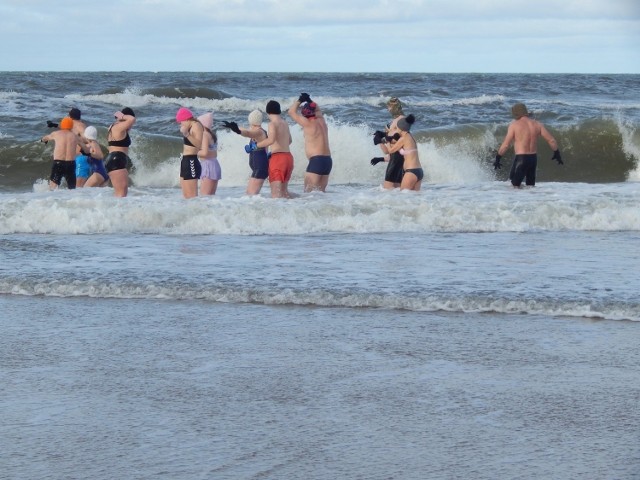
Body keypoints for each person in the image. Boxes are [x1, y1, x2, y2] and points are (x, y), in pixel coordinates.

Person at [494, 103, 563, 187]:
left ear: (516, 113)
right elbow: (551, 140)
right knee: (531, 187)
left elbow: (505, 145)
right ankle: (531, 200)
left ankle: (515, 200)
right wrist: (557, 153)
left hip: (521, 159)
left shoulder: (514, 125)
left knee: (514, 186)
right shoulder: (538, 124)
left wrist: (498, 157)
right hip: (533, 159)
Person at [288, 93, 332, 192]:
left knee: (308, 194)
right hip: (327, 161)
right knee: (321, 194)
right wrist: (309, 100)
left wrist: (300, 100)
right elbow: (317, 108)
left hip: (316, 161)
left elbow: (291, 112)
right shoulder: (322, 121)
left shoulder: (307, 123)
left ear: (305, 114)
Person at [222, 110, 269, 195]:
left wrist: (238, 131)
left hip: (260, 168)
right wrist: (234, 128)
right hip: (257, 168)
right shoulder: (255, 130)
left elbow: (248, 133)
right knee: (249, 194)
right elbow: (246, 130)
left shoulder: (259, 132)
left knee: (252, 194)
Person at [372, 114, 423, 191]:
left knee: (403, 196)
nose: (396, 129)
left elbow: (390, 151)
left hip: (411, 172)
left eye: (397, 127)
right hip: (419, 171)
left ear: (402, 129)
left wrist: (387, 141)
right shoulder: (411, 137)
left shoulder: (403, 138)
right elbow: (401, 152)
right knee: (414, 198)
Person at [256, 100, 294, 198]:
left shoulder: (272, 124)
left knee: (276, 195)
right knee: (285, 193)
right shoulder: (285, 123)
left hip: (278, 160)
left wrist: (257, 145)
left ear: (268, 112)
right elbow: (289, 141)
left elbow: (271, 140)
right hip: (288, 158)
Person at [371, 97, 405, 189]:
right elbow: (388, 151)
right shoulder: (397, 120)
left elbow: (401, 140)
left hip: (397, 159)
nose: (388, 109)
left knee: (387, 189)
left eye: (389, 107)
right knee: (397, 190)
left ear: (394, 107)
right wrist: (380, 140)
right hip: (397, 158)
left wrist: (383, 138)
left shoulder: (400, 120)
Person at [105, 107, 136, 197]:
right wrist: (120, 115)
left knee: (119, 193)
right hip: (117, 160)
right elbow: (132, 119)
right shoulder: (118, 127)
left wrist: (119, 116)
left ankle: (116, 210)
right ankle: (117, 211)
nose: (131, 125)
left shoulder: (113, 126)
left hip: (115, 159)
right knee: (121, 194)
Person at [41, 116, 78, 190]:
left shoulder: (56, 134)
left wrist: (44, 140)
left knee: (52, 187)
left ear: (62, 125)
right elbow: (86, 149)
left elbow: (44, 138)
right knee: (72, 188)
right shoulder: (75, 136)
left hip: (58, 164)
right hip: (70, 164)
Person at [175, 107, 203, 198]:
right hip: (185, 161)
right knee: (186, 196)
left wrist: (187, 134)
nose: (181, 124)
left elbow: (199, 145)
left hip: (192, 160)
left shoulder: (196, 125)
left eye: (181, 121)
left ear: (186, 118)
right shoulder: (188, 126)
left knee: (192, 196)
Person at [197, 112, 221, 195]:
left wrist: (193, 151)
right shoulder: (212, 135)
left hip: (208, 166)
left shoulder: (204, 135)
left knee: (204, 197)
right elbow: (214, 153)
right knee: (211, 197)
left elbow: (204, 152)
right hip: (214, 164)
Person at [69, 107, 90, 187]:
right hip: (74, 159)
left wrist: (80, 140)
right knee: (75, 187)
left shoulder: (79, 126)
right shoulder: (73, 126)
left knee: (79, 187)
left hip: (81, 158)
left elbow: (88, 140)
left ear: (70, 116)